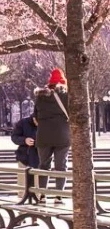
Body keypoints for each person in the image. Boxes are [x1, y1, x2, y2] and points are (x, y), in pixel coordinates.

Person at [34, 68, 71, 204]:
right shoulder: (67, 95)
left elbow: (35, 117)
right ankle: (58, 196)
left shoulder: (40, 96)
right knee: (61, 166)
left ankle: (42, 195)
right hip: (63, 134)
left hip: (43, 135)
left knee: (43, 165)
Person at [12, 115, 39, 221]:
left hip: (39, 160)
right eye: (37, 121)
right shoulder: (23, 123)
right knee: (22, 188)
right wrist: (24, 140)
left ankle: (35, 215)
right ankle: (21, 215)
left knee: (37, 189)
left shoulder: (47, 123)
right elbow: (14, 137)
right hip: (24, 158)